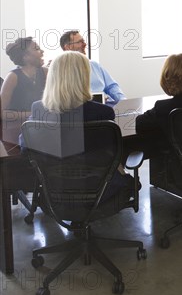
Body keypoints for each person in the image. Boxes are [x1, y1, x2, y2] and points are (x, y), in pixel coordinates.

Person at [24, 51, 134, 201]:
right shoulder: (103, 112)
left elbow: (26, 149)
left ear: (52, 78)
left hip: (54, 194)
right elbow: (114, 154)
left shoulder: (38, 110)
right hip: (100, 191)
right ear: (84, 78)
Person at [1, 37, 48, 143]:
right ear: (26, 56)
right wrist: (32, 113)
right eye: (37, 49)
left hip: (41, 130)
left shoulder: (46, 72)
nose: (42, 51)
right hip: (16, 134)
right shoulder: (13, 77)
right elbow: (1, 113)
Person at [59, 30, 126, 103]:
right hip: (86, 109)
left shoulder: (94, 65)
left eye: (83, 41)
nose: (84, 44)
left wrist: (124, 102)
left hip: (108, 106)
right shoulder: (61, 70)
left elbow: (112, 86)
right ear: (67, 47)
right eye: (79, 42)